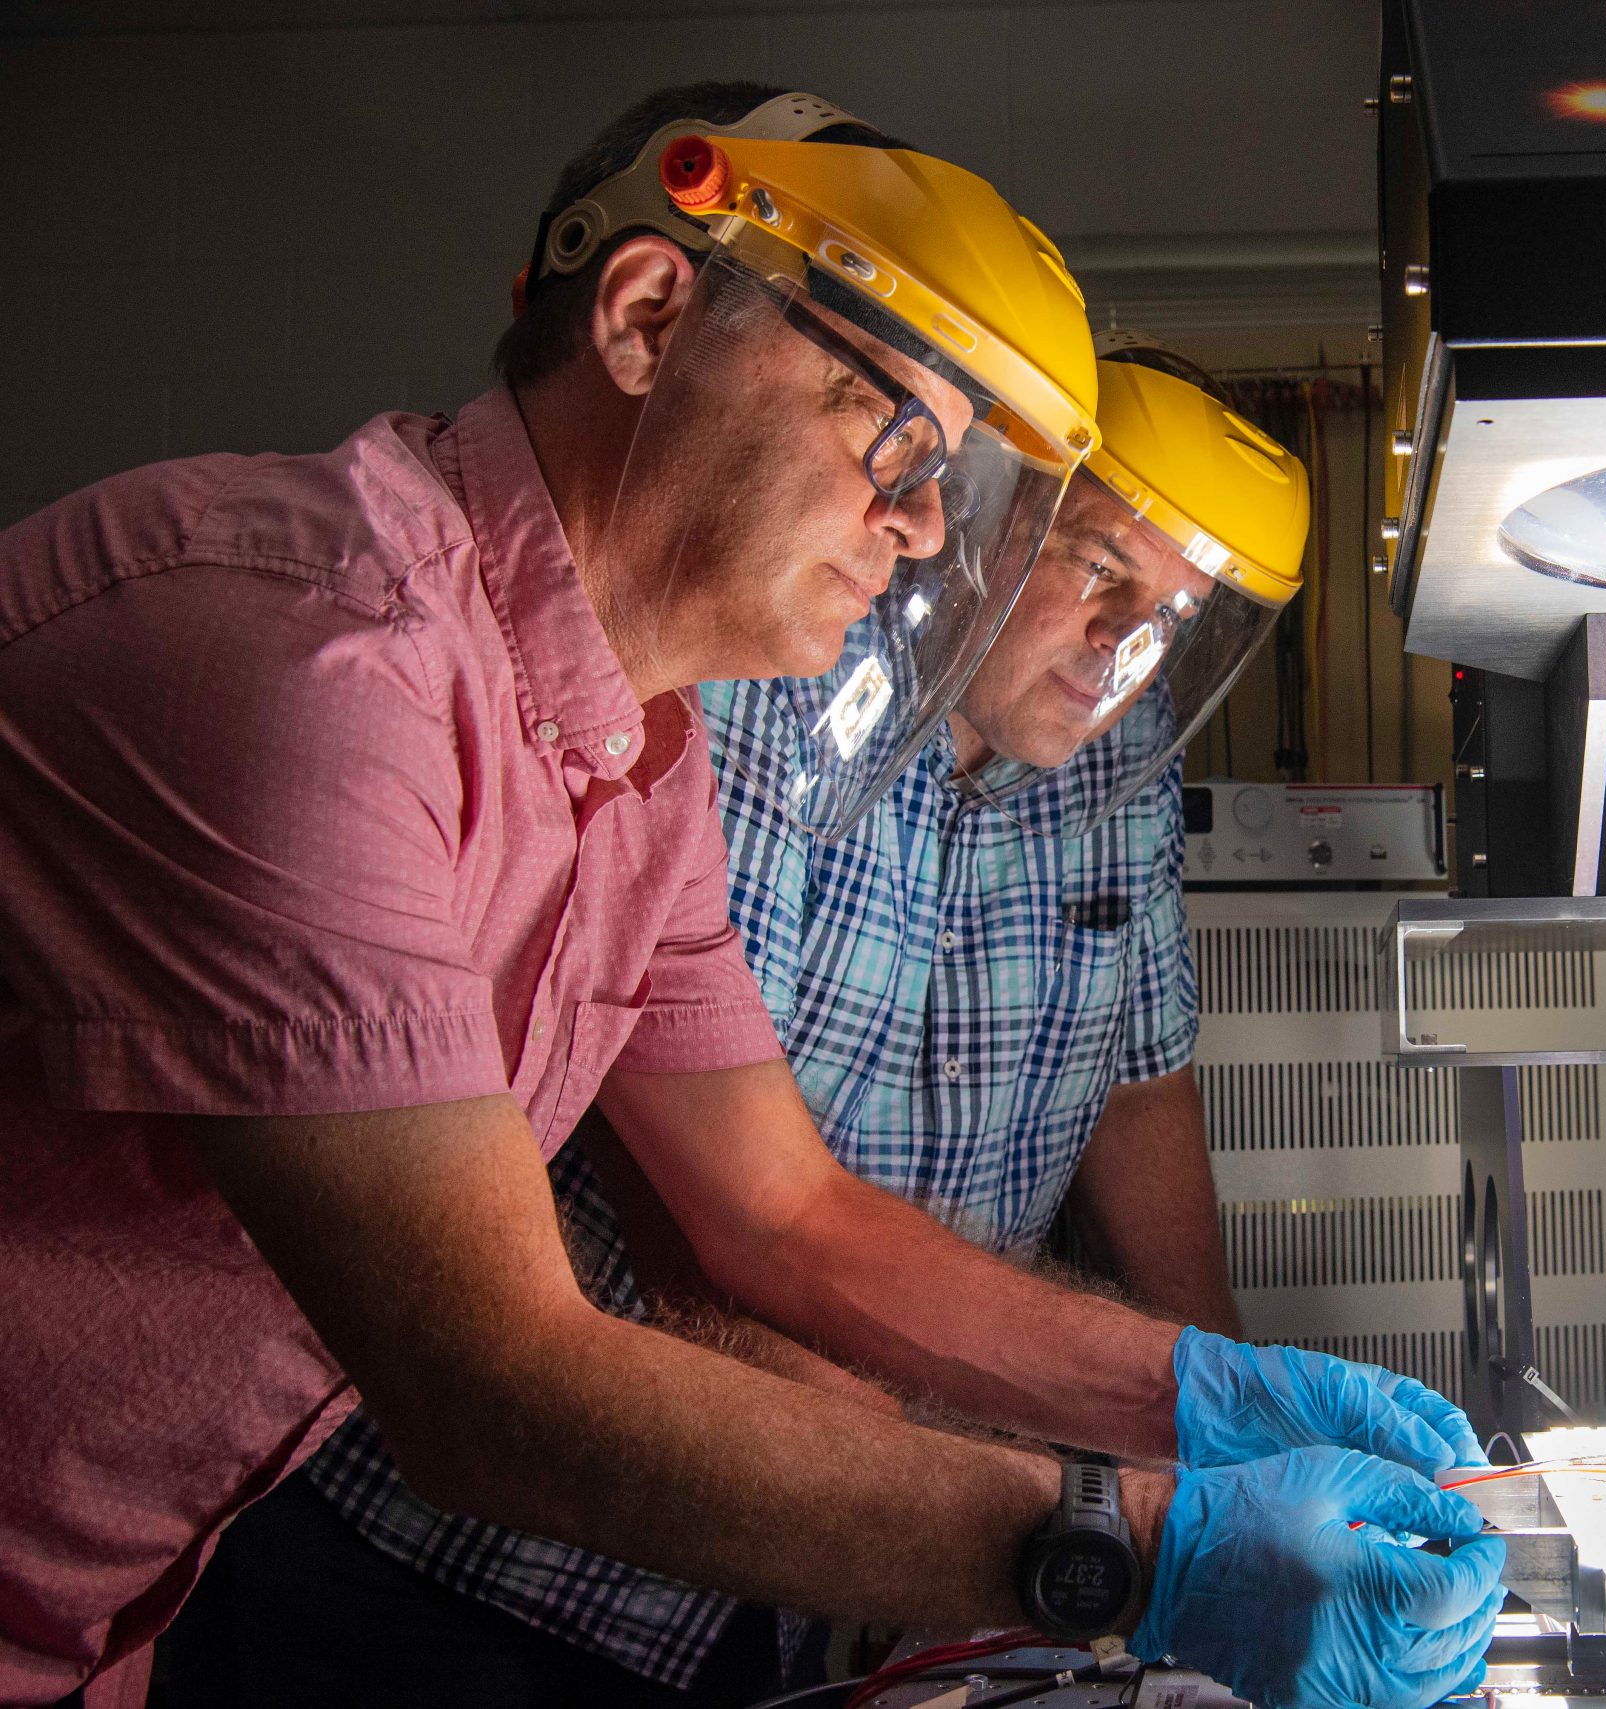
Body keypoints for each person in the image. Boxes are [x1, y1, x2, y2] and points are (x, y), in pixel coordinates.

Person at [0, 81, 1503, 1709]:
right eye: (906, 440)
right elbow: (492, 1381)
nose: (929, 532)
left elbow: (784, 1215)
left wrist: (1205, 1389)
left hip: (105, 1619)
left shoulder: (633, 757)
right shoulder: (323, 659)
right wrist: (1140, 1548)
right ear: (649, 314)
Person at [169, 330, 1312, 1702]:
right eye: (1101, 572)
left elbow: (1137, 1082)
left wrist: (1234, 1423)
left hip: (839, 1560)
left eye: (1171, 620)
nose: (1122, 647)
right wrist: (1061, 1529)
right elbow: (713, 1216)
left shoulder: (1111, 764)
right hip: (491, 1553)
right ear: (998, 512)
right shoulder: (778, 666)